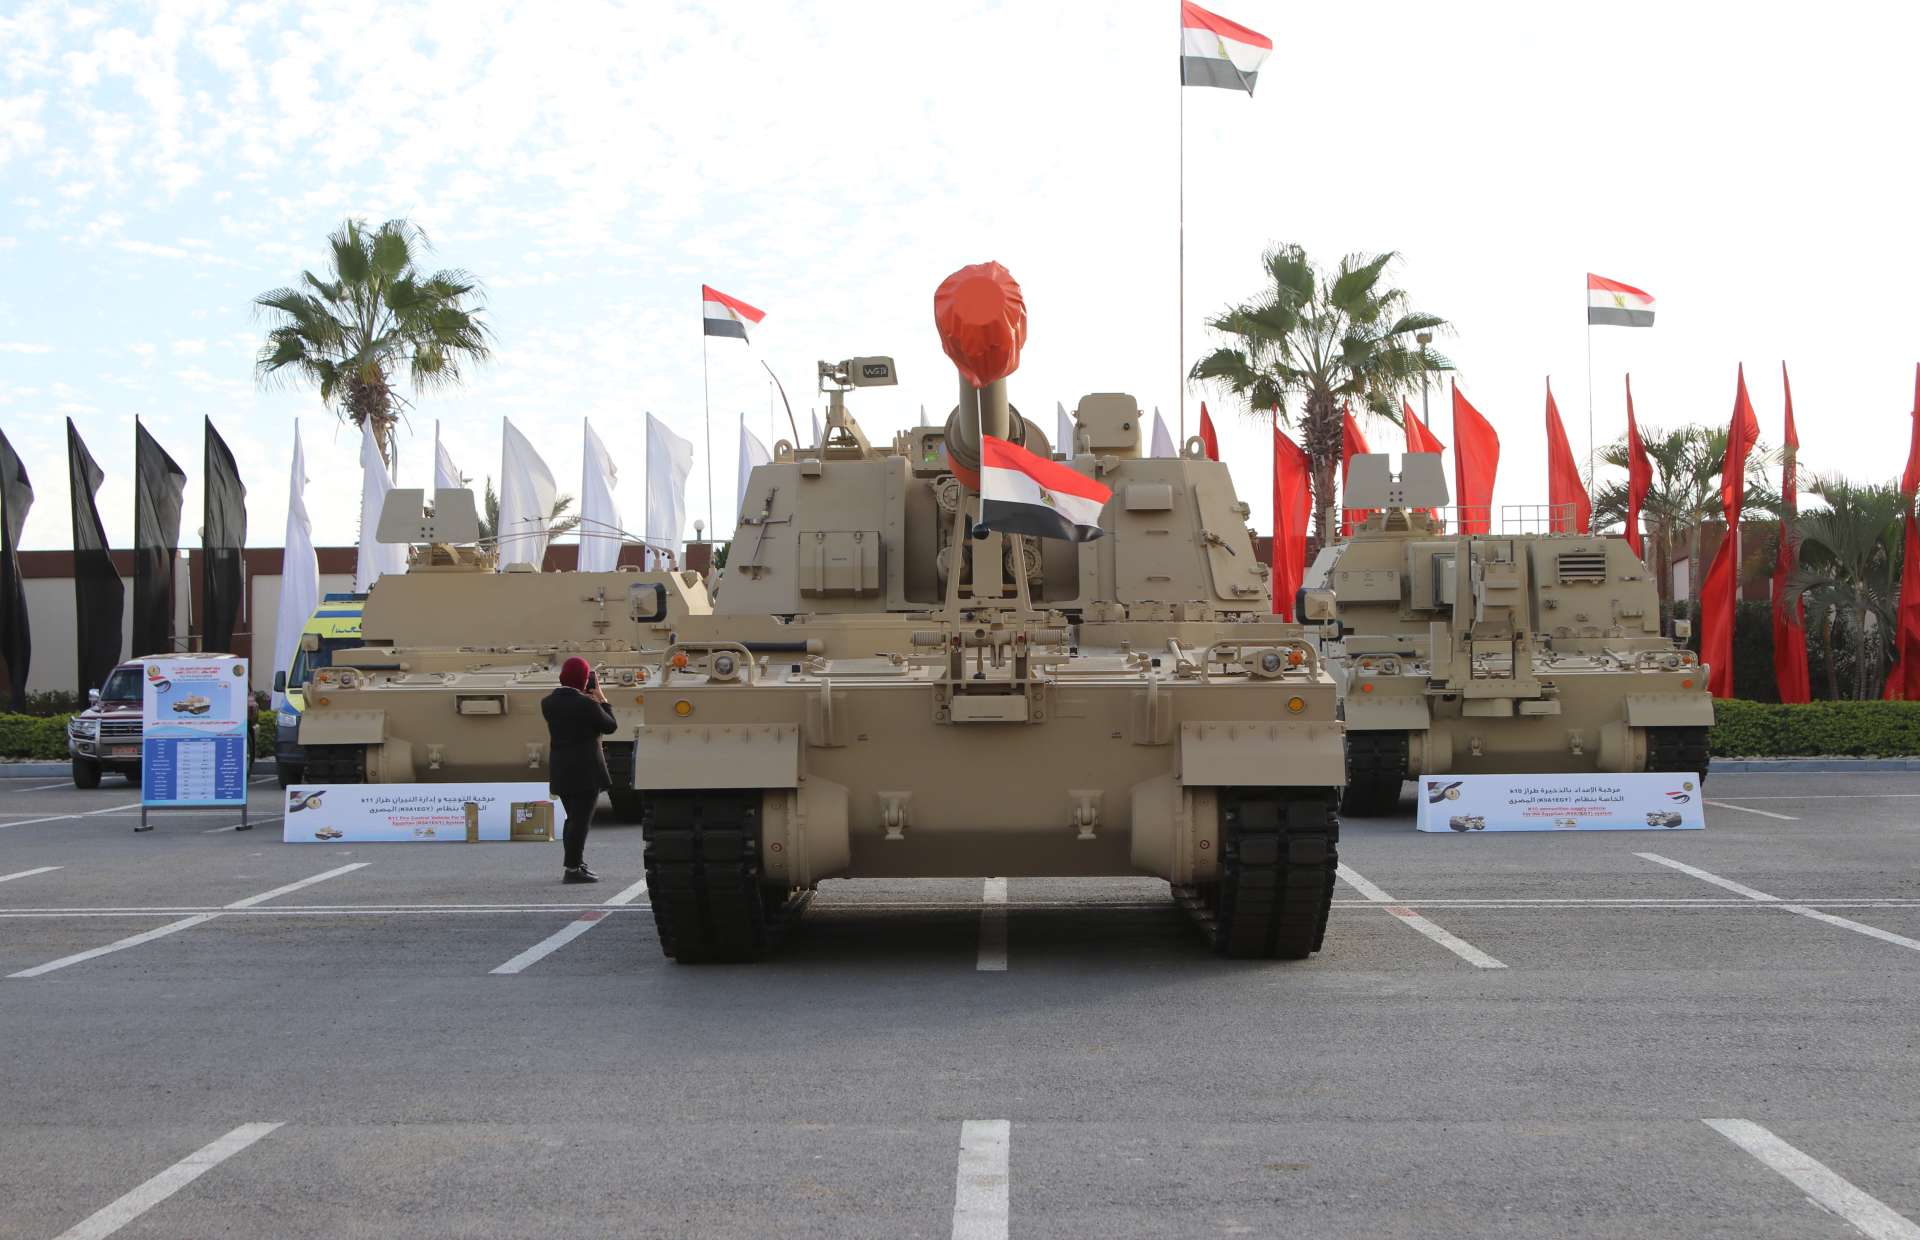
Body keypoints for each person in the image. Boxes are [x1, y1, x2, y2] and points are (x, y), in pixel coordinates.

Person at [542, 656, 617, 883]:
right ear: (583, 678)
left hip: (561, 769)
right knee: (580, 822)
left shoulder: (548, 702)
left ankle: (574, 863)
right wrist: (601, 698)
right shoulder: (587, 704)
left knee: (572, 820)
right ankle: (573, 869)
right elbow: (610, 726)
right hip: (586, 772)